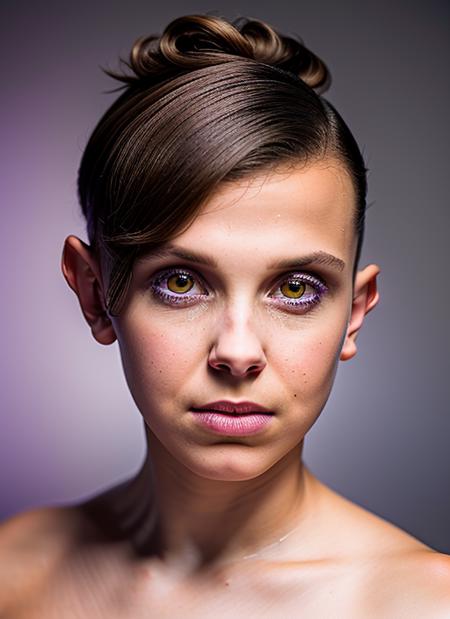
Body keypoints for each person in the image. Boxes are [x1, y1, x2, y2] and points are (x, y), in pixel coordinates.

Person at [1, 12, 449, 618]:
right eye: (181, 282)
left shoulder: (424, 605)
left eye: (295, 288)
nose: (238, 353)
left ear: (354, 312)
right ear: (93, 291)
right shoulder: (16, 572)